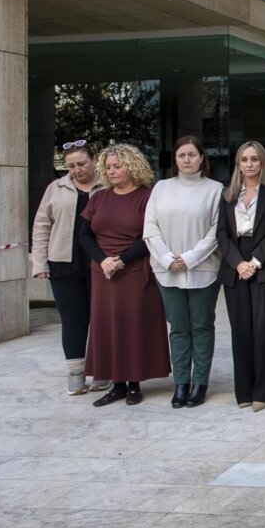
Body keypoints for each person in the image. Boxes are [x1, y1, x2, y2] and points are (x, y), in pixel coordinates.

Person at [77, 144, 170, 406]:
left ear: (132, 166)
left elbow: (151, 235)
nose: (112, 170)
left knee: (133, 326)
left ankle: (133, 384)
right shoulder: (98, 198)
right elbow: (84, 235)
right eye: (108, 167)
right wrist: (103, 260)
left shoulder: (148, 197)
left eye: (117, 166)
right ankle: (116, 384)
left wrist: (121, 260)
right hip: (103, 272)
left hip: (134, 269)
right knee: (107, 326)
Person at [144, 135, 223, 409]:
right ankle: (181, 384)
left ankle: (199, 382)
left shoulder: (215, 190)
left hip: (203, 269)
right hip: (167, 270)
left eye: (192, 154)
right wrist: (167, 258)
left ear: (202, 158)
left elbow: (216, 232)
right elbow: (150, 227)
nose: (187, 160)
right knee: (178, 328)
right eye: (182, 155)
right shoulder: (161, 188)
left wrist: (188, 258)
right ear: (175, 159)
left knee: (201, 326)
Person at [32, 139, 108, 395]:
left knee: (101, 318)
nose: (77, 170)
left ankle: (102, 369)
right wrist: (39, 263)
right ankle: (76, 373)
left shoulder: (107, 185)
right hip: (63, 263)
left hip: (100, 263)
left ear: (94, 160)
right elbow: (42, 225)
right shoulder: (56, 188)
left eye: (82, 163)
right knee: (73, 320)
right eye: (71, 165)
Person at [217, 141, 265, 412]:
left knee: (264, 330)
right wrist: (238, 263)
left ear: (262, 162)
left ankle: (264, 391)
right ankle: (244, 390)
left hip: (264, 263)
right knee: (241, 330)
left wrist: (254, 262)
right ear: (238, 164)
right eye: (243, 160)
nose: (249, 164)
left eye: (254, 159)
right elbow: (221, 233)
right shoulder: (228, 194)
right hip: (235, 265)